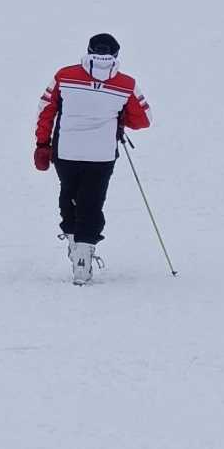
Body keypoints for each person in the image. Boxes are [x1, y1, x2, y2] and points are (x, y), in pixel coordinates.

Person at [34, 31, 150, 285]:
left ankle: (75, 244)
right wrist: (116, 116)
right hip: (102, 155)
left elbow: (46, 110)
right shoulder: (126, 84)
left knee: (69, 194)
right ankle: (84, 258)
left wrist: (42, 144)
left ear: (89, 51)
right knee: (92, 201)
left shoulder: (64, 75)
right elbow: (143, 120)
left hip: (66, 151)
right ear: (116, 54)